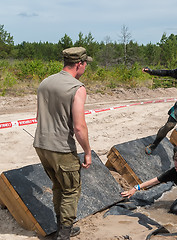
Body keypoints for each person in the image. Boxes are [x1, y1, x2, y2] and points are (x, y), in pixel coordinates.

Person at [33, 47, 92, 240]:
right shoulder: (77, 88)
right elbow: (79, 128)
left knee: (58, 186)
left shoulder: (45, 82)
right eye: (85, 64)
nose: (85, 68)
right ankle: (64, 234)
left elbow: (38, 116)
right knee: (71, 190)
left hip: (41, 144)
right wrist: (88, 152)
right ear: (79, 64)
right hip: (61, 148)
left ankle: (61, 227)